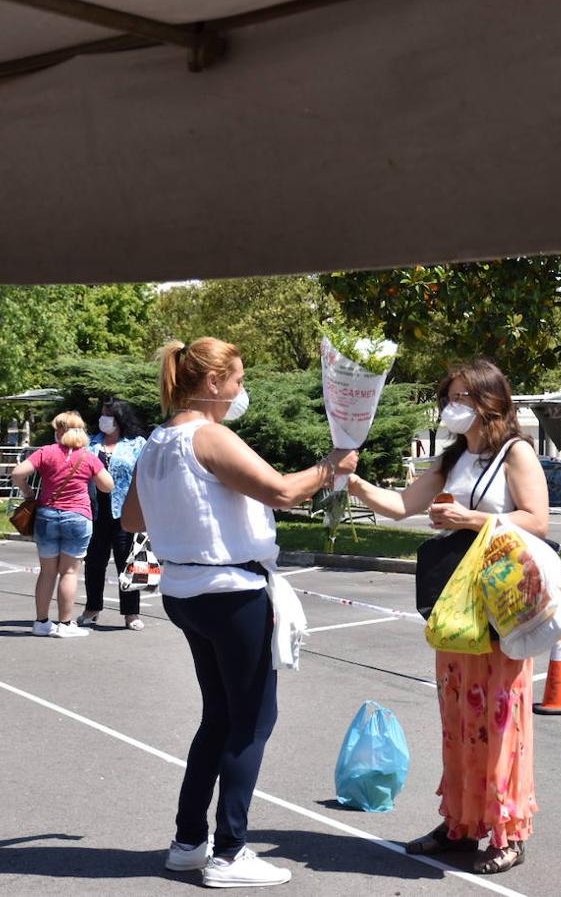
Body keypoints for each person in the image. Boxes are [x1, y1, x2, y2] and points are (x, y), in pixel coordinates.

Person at [121, 337, 356, 889]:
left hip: (186, 590)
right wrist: (330, 466)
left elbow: (132, 518)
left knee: (220, 717)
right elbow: (279, 491)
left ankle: (188, 842)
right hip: (230, 590)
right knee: (251, 721)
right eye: (238, 381)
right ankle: (229, 851)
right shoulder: (209, 435)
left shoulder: (158, 440)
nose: (241, 391)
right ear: (212, 384)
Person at [347, 358, 548, 875]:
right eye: (450, 397)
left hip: (500, 604)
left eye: (462, 397)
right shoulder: (452, 457)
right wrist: (355, 482)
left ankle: (508, 831)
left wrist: (471, 518)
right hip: (456, 603)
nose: (452, 407)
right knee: (460, 718)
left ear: (491, 401)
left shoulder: (516, 453)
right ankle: (460, 824)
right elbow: (400, 505)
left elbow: (538, 521)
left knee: (501, 718)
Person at [11, 412, 114, 638]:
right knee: (69, 572)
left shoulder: (46, 452)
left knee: (47, 572)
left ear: (59, 431)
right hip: (77, 516)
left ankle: (41, 622)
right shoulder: (87, 457)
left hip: (47, 515)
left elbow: (17, 473)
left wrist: (28, 492)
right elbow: (108, 486)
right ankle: (65, 624)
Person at [78, 399, 148, 631]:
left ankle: (131, 613)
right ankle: (92, 608)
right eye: (101, 415)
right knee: (94, 562)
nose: (103, 419)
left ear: (119, 418)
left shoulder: (136, 443)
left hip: (125, 512)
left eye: (107, 415)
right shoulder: (91, 443)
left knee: (127, 562)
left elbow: (145, 476)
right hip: (95, 511)